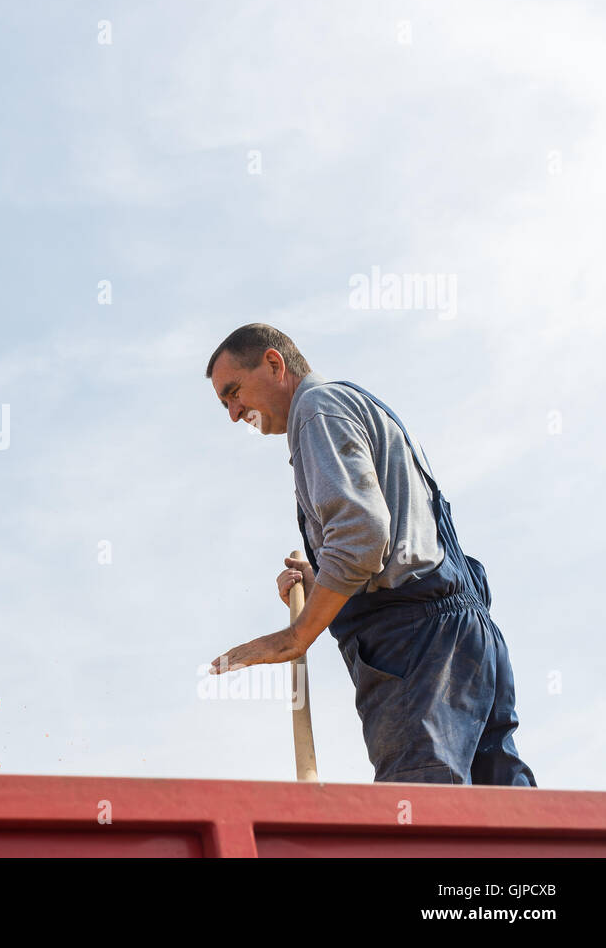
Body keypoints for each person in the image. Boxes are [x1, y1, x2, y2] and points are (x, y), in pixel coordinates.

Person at [203, 323, 536, 786]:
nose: (235, 413)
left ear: (274, 364)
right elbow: (386, 542)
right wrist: (320, 578)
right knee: (506, 818)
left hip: (418, 647)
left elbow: (361, 534)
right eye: (225, 404)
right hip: (464, 638)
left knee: (420, 813)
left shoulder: (316, 411)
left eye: (234, 392)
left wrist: (296, 635)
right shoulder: (353, 406)